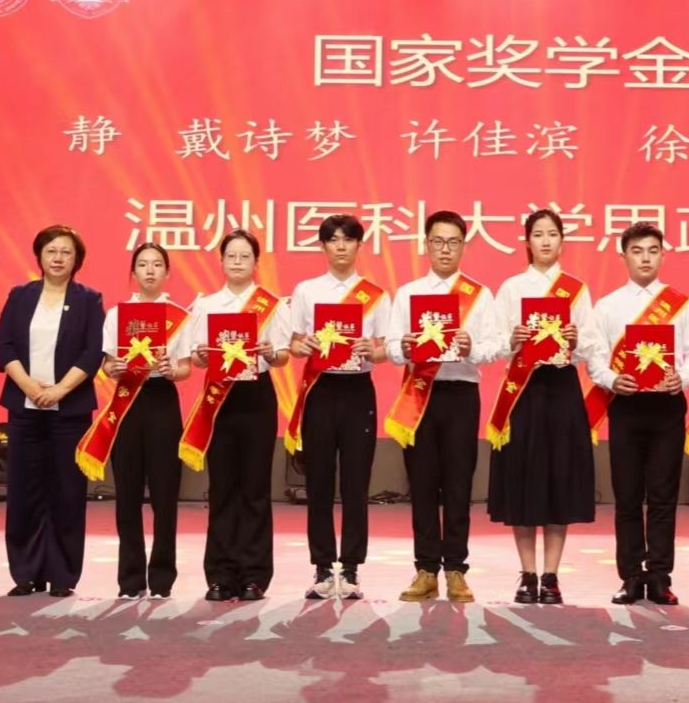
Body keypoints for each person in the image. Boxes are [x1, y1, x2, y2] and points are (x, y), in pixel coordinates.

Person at [385, 210, 504, 603]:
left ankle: (455, 570)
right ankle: (425, 570)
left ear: (463, 246)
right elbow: (391, 346)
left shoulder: (479, 295)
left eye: (453, 242)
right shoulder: (408, 293)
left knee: (457, 482)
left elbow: (496, 346)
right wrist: (403, 348)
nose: (445, 249)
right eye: (437, 241)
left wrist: (472, 347)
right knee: (421, 483)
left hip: (461, 394)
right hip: (420, 395)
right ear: (426, 244)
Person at [584, 222, 689, 606]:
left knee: (664, 495)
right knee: (628, 495)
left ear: (663, 255)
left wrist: (682, 377)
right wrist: (611, 379)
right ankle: (631, 576)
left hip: (667, 406)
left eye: (653, 250)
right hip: (626, 406)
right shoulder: (608, 306)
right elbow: (595, 356)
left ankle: (660, 576)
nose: (646, 258)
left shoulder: (681, 304)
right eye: (637, 251)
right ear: (624, 256)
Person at [173, 229, 291, 602]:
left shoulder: (273, 305)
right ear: (221, 261)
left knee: (255, 488)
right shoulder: (206, 305)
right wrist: (202, 355)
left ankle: (255, 575)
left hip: (257, 397)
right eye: (231, 256)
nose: (237, 262)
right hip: (219, 399)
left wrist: (270, 352)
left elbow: (283, 356)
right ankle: (221, 575)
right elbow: (196, 358)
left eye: (245, 256)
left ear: (256, 262)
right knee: (222, 487)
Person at [488, 209, 597, 605]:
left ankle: (551, 576)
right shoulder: (512, 288)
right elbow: (493, 343)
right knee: (524, 479)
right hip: (524, 392)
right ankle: (527, 573)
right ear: (527, 241)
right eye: (538, 234)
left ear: (562, 240)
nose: (546, 241)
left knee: (558, 480)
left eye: (553, 234)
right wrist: (512, 339)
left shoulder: (576, 290)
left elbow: (591, 347)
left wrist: (576, 339)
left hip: (563, 389)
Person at [284, 214, 393, 600]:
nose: (341, 246)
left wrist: (372, 351)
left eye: (348, 239)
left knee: (356, 483)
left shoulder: (375, 295)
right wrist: (305, 346)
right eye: (333, 239)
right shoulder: (307, 291)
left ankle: (350, 568)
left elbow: (387, 348)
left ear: (359, 245)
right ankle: (321, 567)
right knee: (318, 481)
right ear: (323, 246)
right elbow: (293, 344)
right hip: (320, 389)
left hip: (358, 391)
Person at [0, 225, 106, 597]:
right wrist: (28, 386)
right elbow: (4, 345)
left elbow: (92, 352)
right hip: (25, 408)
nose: (58, 258)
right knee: (24, 492)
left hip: (69, 410)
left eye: (66, 252)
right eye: (51, 251)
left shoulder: (89, 300)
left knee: (67, 492)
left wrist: (59, 390)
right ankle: (25, 573)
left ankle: (62, 575)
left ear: (77, 260)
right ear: (40, 256)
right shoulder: (20, 296)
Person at [97, 242, 192, 599]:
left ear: (167, 272)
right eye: (142, 264)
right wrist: (113, 368)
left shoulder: (179, 315)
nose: (150, 270)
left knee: (165, 494)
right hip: (127, 402)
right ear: (133, 272)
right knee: (127, 493)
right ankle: (130, 578)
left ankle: (162, 577)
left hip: (162, 400)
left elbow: (186, 367)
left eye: (157, 264)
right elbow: (108, 363)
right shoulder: (116, 315)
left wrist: (172, 370)